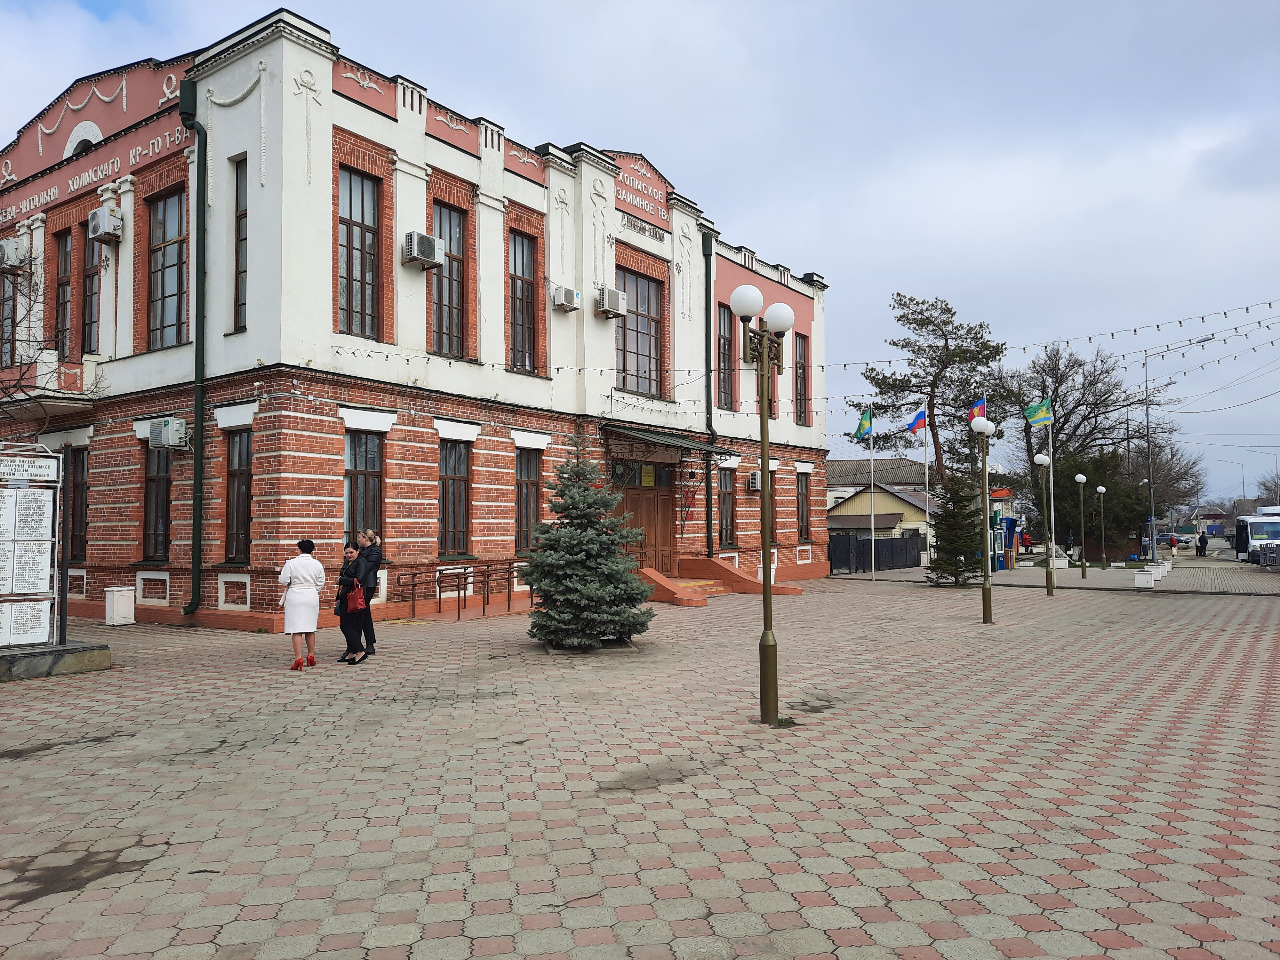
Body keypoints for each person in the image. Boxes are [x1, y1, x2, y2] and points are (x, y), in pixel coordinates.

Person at [279, 539, 326, 670]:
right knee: (310, 627)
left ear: (299, 549)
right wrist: (312, 589)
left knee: (296, 629)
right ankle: (311, 655)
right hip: (311, 595)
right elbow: (321, 582)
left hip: (295, 595)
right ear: (312, 550)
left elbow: (283, 580)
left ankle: (298, 658)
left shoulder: (291, 563)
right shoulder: (317, 564)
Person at [345, 528, 383, 663]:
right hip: (357, 584)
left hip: (367, 585)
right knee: (362, 613)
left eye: (360, 537)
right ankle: (363, 644)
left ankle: (359, 646)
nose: (358, 539)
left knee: (360, 613)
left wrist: (357, 565)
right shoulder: (360, 551)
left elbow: (366, 567)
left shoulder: (375, 551)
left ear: (365, 538)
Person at [334, 542, 363, 663]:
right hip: (344, 596)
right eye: (346, 553)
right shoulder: (347, 562)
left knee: (347, 626)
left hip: (354, 597)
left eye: (351, 552)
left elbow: (359, 579)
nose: (349, 555)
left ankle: (360, 651)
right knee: (346, 624)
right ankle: (351, 651)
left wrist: (341, 580)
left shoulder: (361, 562)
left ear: (358, 551)